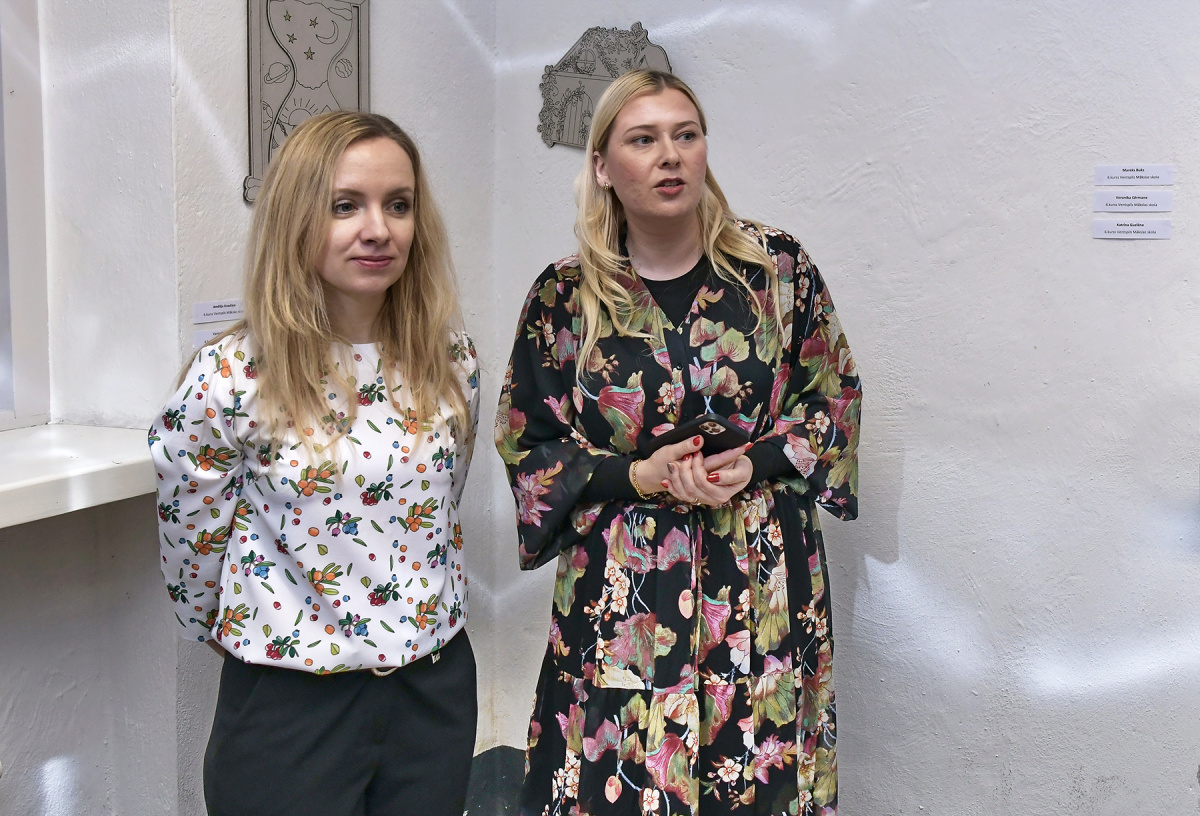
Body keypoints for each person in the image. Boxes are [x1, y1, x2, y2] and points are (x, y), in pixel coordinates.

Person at [496, 70, 861, 815]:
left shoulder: (775, 271)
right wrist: (638, 475)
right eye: (643, 139)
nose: (670, 155)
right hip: (622, 583)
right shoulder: (564, 298)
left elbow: (833, 397)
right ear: (603, 166)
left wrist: (754, 461)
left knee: (757, 773)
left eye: (685, 135)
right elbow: (527, 444)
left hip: (759, 571)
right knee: (617, 778)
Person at [149, 111, 480, 816]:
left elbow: (439, 508)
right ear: (295, 218)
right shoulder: (231, 377)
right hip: (291, 703)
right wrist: (264, 633)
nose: (378, 229)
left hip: (433, 691)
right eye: (345, 205)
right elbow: (192, 548)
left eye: (398, 205)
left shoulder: (449, 361)